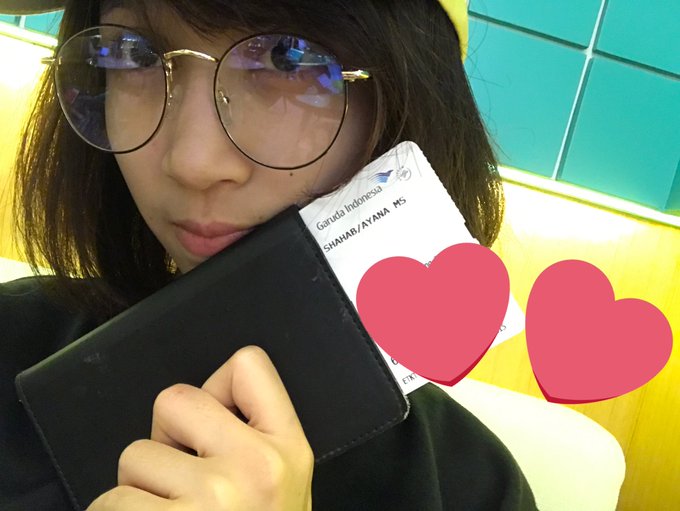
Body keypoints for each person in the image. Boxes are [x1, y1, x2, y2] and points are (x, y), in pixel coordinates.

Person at [0, 0, 539, 509]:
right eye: (132, 54)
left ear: (402, 102)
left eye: (288, 59)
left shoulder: (473, 490)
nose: (192, 161)